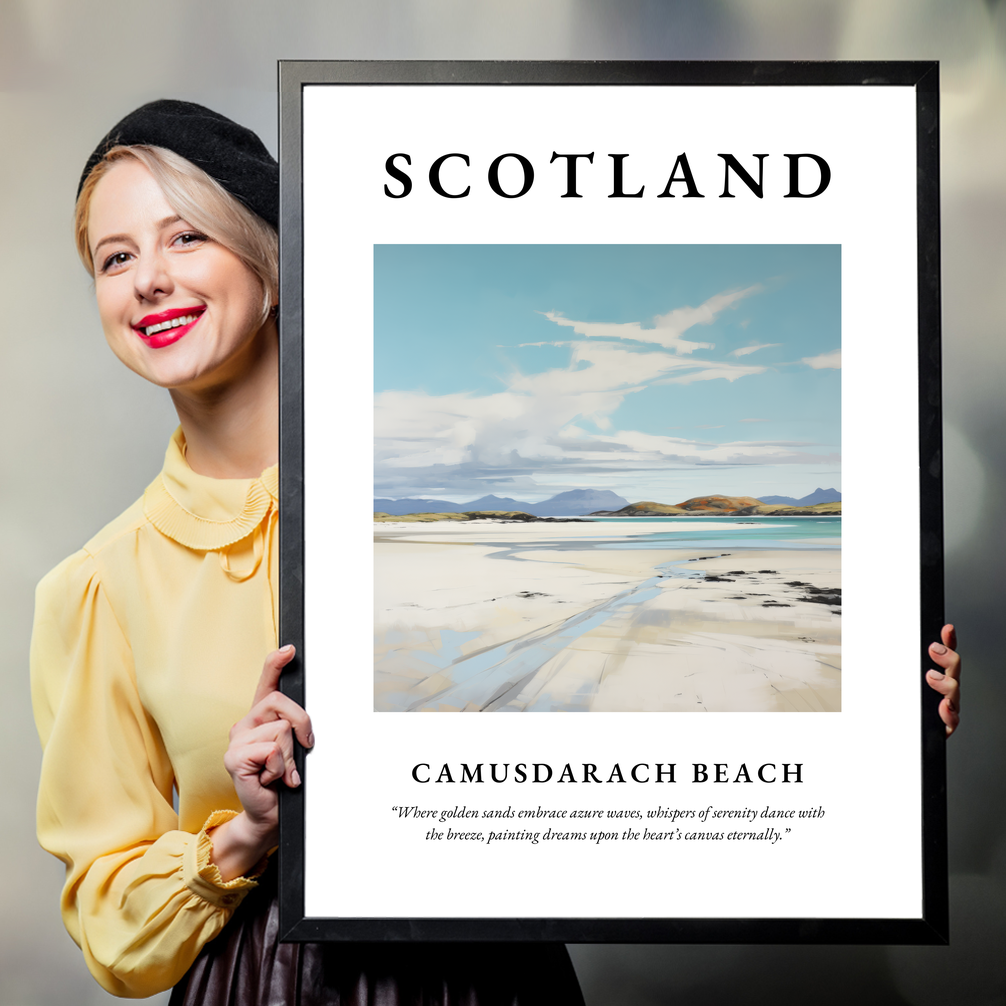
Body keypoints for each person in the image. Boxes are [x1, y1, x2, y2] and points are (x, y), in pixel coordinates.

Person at [30, 100, 585, 1004]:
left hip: (492, 972)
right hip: (262, 981)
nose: (148, 281)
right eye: (116, 257)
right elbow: (110, 924)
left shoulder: (435, 507)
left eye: (186, 239)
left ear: (274, 264)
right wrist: (245, 832)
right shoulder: (97, 587)